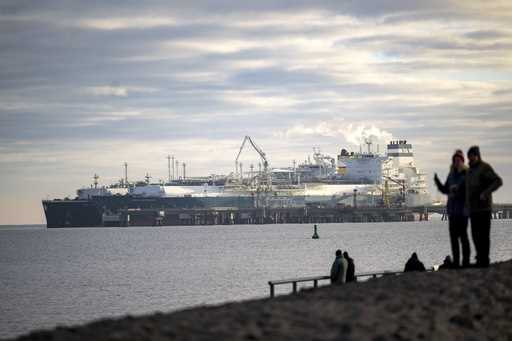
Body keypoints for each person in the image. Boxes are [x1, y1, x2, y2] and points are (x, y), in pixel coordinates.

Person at [466, 146, 502, 267]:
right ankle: (479, 257)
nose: (470, 158)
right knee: (475, 234)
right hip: (473, 209)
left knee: (484, 235)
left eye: (472, 156)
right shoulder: (470, 171)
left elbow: (497, 181)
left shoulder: (484, 168)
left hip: (484, 208)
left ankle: (484, 259)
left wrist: (485, 193)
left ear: (477, 156)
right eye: (469, 156)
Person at [434, 149, 470, 268]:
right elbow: (445, 190)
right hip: (452, 212)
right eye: (455, 160)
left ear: (462, 161)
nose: (457, 162)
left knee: (463, 238)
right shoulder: (451, 175)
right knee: (454, 239)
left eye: (459, 160)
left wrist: (458, 190)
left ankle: (465, 262)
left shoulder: (466, 174)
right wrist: (437, 182)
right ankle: (456, 263)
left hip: (462, 211)